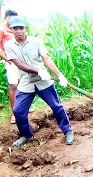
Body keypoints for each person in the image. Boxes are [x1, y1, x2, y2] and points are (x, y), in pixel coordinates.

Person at [4, 16, 74, 147]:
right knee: (18, 110)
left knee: (56, 106)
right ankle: (26, 135)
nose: (18, 31)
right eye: (15, 28)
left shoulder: (36, 41)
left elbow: (46, 59)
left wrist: (60, 75)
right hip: (26, 82)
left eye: (21, 28)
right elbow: (19, 65)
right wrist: (38, 70)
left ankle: (68, 131)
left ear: (26, 28)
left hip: (44, 81)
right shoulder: (8, 45)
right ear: (11, 30)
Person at [0, 10, 19, 124]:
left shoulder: (15, 29)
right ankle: (14, 114)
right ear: (5, 18)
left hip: (21, 62)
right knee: (14, 86)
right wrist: (6, 58)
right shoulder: (2, 30)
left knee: (23, 85)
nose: (11, 20)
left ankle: (22, 108)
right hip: (11, 62)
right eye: (9, 18)